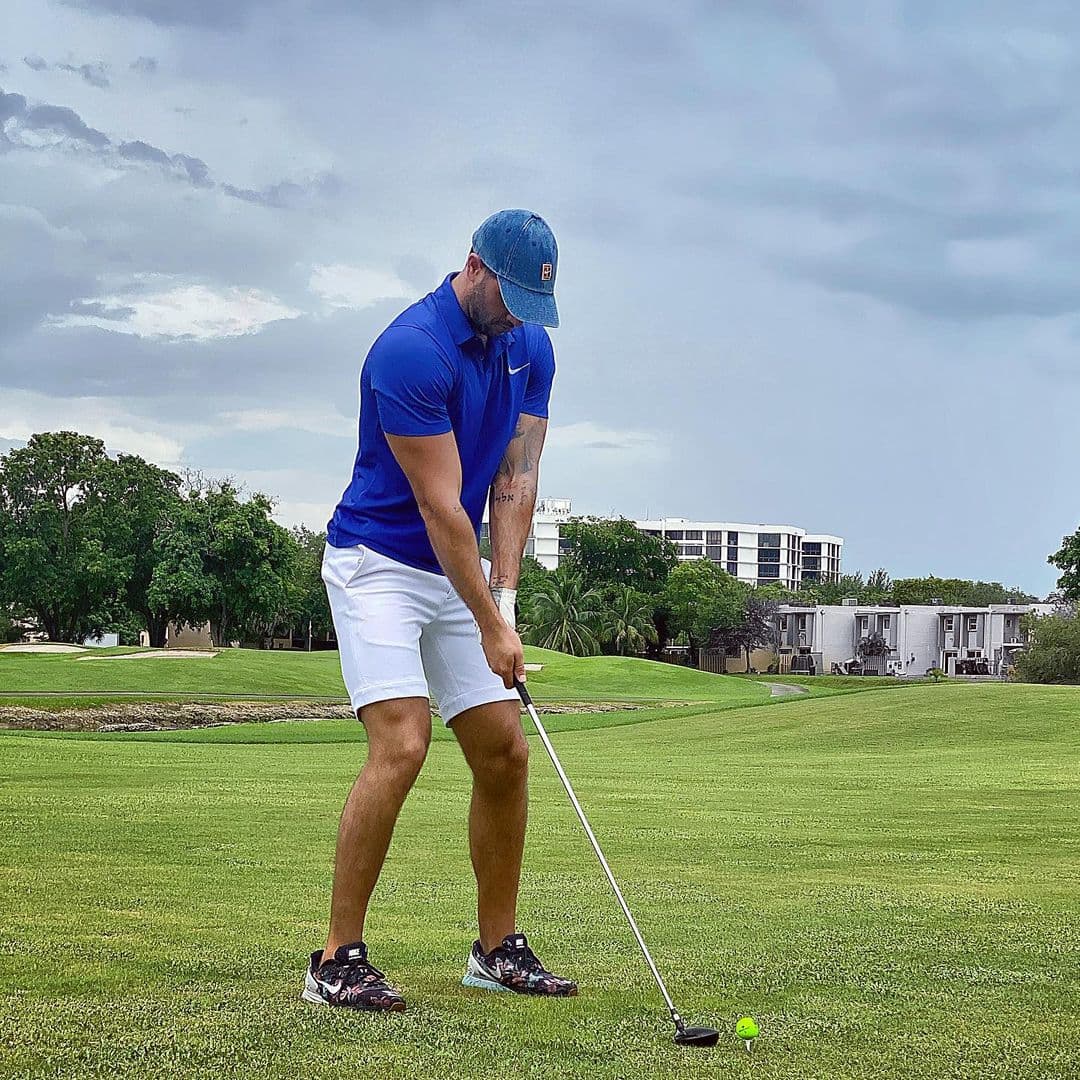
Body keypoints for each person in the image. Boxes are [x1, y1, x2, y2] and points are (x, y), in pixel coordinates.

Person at [302, 210, 577, 1012]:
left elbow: (514, 480)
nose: (520, 317)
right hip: (379, 562)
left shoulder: (531, 347)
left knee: (505, 753)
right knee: (402, 743)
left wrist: (506, 603)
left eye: (534, 305)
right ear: (475, 267)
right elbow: (440, 506)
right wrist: (489, 625)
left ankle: (496, 950)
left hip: (457, 567)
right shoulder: (411, 351)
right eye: (513, 299)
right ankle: (336, 959)